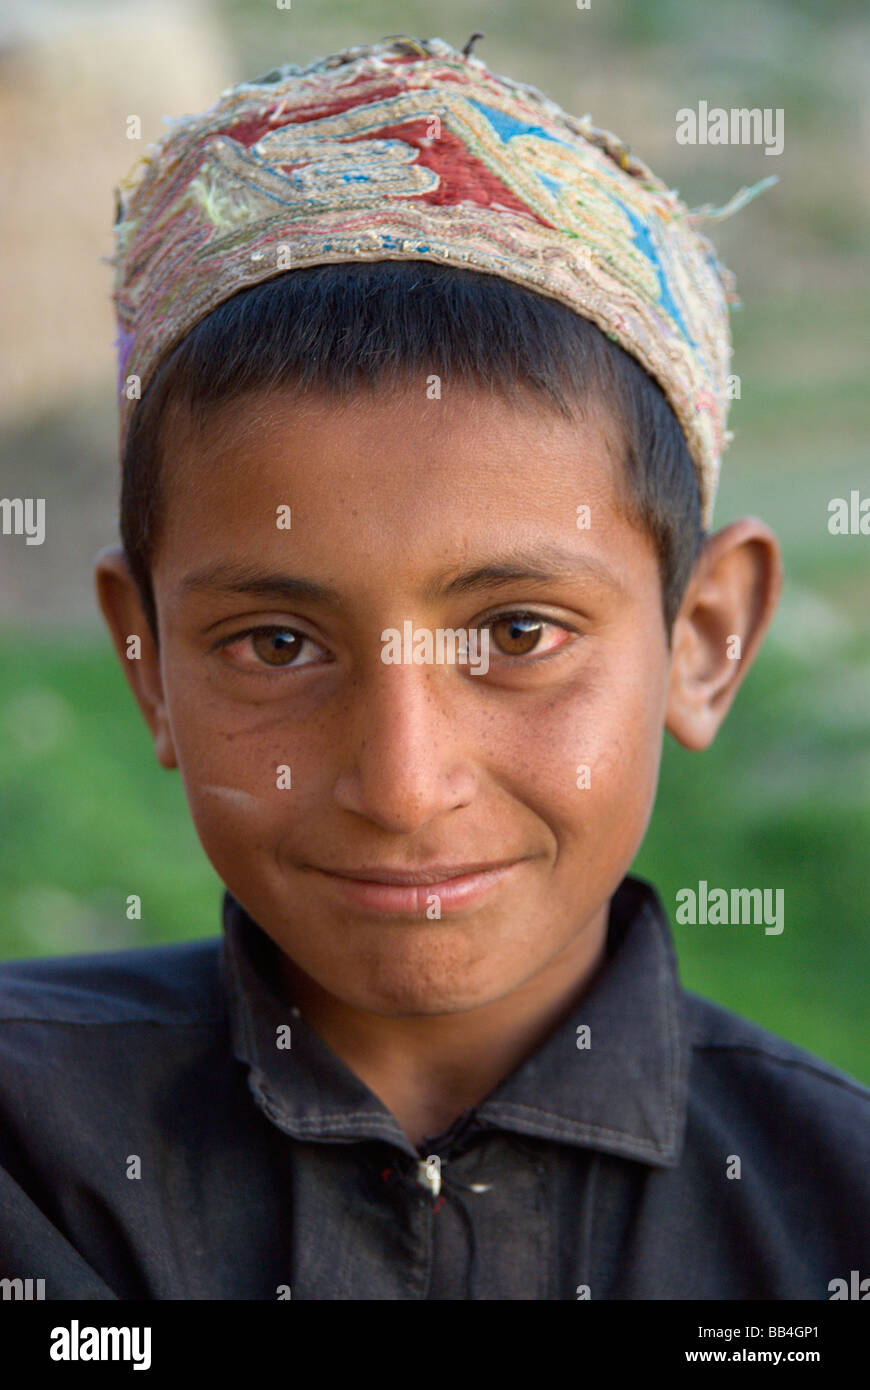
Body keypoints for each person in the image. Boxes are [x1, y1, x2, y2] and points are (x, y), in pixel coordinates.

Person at [1, 33, 867, 1300]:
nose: (404, 785)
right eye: (279, 644)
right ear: (146, 665)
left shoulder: (831, 1219)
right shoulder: (32, 1159)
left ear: (704, 638)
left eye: (517, 634)